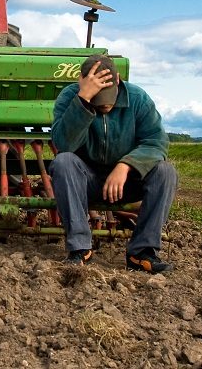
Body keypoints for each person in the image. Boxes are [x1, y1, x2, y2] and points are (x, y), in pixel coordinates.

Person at [50, 54, 177, 273]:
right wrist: (83, 101)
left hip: (127, 182)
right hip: (87, 180)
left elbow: (156, 142)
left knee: (166, 172)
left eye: (109, 96)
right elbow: (64, 144)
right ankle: (80, 249)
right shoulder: (70, 98)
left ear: (117, 81)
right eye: (99, 100)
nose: (106, 105)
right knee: (63, 162)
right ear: (83, 82)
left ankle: (141, 252)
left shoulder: (138, 99)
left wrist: (125, 165)